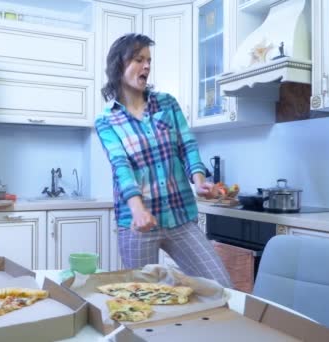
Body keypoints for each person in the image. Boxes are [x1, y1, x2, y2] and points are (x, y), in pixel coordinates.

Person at [95, 33, 232, 289]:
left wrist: (199, 181)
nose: (146, 65)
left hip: (179, 214)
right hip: (138, 223)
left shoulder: (167, 104)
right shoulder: (107, 120)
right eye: (138, 59)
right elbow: (120, 166)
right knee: (143, 299)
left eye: (149, 60)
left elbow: (187, 146)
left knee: (222, 288)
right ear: (119, 66)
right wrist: (138, 210)